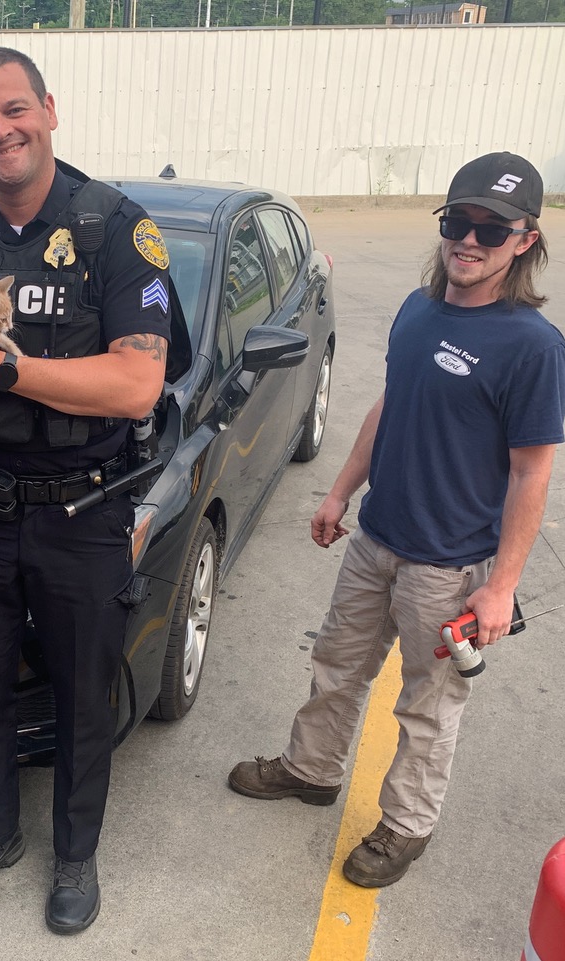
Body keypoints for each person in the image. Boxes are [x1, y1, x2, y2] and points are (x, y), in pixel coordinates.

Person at [0, 47, 173, 934]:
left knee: (83, 691)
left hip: (81, 510)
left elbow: (135, 387)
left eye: (13, 110)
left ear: (49, 110)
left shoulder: (115, 229)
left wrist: (2, 369)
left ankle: (76, 856)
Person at [229, 152, 565, 887]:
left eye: (490, 228)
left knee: (427, 705)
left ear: (525, 240)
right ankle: (310, 768)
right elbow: (390, 403)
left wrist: (502, 584)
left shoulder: (534, 347)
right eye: (457, 221)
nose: (468, 240)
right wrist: (340, 489)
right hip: (376, 539)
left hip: (448, 567)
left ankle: (405, 825)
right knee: (335, 666)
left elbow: (531, 470)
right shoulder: (418, 309)